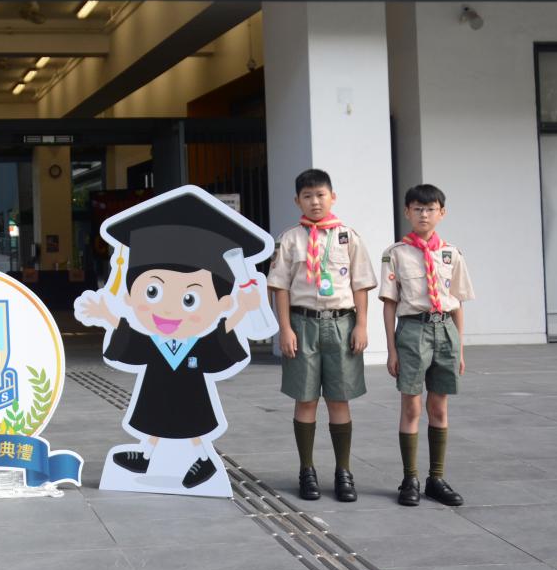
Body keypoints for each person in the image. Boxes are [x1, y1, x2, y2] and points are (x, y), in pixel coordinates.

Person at [75, 188, 267, 490]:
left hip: (192, 392)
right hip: (156, 390)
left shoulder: (203, 342)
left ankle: (203, 459)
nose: (167, 309)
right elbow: (130, 342)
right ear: (130, 294)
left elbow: (221, 342)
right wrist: (107, 315)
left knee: (195, 425)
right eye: (152, 291)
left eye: (190, 298)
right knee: (152, 418)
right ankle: (145, 454)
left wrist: (242, 308)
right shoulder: (150, 341)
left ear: (222, 303)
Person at [267, 169, 376, 502]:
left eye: (321, 195)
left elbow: (360, 285)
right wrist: (284, 328)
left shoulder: (348, 237)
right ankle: (307, 470)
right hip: (303, 325)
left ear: (333, 197)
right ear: (297, 200)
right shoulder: (289, 239)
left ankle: (343, 472)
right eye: (308, 196)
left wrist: (361, 325)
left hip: (342, 324)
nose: (315, 202)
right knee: (305, 399)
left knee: (339, 399)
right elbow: (280, 287)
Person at [380, 184, 475, 507]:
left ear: (441, 213)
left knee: (439, 407)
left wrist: (459, 348)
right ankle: (410, 479)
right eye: (417, 209)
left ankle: (436, 478)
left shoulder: (452, 253)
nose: (424, 214)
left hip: (445, 330)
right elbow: (389, 304)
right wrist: (391, 349)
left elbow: (458, 303)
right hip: (412, 330)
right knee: (411, 406)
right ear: (407, 212)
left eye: (430, 209)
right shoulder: (396, 254)